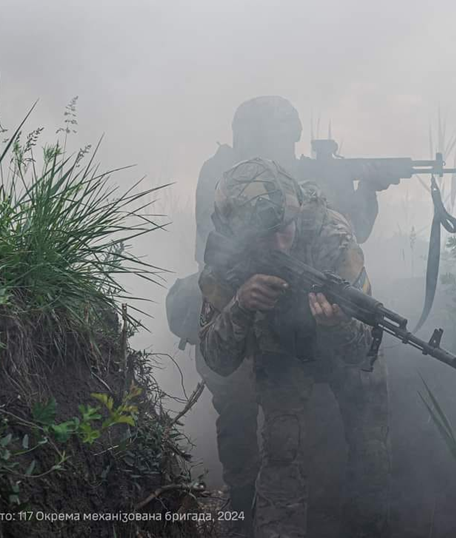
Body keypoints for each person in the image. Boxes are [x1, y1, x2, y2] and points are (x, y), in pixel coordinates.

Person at [165, 95, 393, 528]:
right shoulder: (225, 226)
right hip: (271, 339)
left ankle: (372, 519)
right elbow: (217, 355)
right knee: (272, 449)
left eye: (286, 230)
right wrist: (241, 303)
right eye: (266, 238)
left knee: (371, 442)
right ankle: (239, 509)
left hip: (332, 331)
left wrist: (338, 323)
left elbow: (363, 350)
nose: (281, 246)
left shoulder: (330, 229)